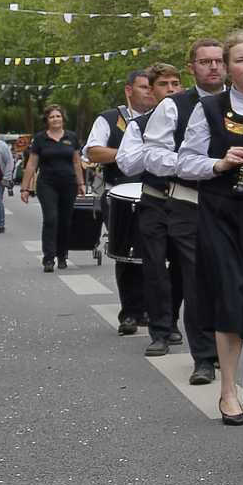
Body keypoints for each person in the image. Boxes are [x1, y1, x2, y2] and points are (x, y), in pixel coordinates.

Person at [160, 33, 243, 425]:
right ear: (227, 68)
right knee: (230, 296)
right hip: (223, 213)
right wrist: (219, 163)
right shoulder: (209, 107)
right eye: (240, 60)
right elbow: (184, 162)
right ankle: (228, 389)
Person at [129, 45, 227, 384]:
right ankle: (203, 355)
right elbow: (152, 156)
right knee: (193, 280)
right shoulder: (174, 106)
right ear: (192, 67)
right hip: (188, 201)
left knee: (235, 281)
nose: (213, 67)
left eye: (219, 61)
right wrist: (207, 166)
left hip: (240, 204)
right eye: (205, 61)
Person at [87, 70, 157, 333]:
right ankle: (130, 312)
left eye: (152, 87)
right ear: (129, 90)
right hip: (119, 193)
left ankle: (151, 308)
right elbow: (93, 151)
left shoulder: (164, 117)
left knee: (155, 252)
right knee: (126, 252)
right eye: (143, 87)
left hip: (156, 192)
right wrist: (130, 153)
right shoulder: (109, 118)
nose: (149, 91)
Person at [19, 104, 84, 273]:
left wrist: (81, 183)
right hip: (47, 184)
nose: (55, 119)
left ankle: (62, 255)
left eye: (58, 116)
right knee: (51, 219)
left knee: (65, 221)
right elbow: (32, 164)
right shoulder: (40, 139)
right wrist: (25, 188)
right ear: (47, 120)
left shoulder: (71, 137)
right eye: (52, 117)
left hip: (68, 184)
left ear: (63, 118)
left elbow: (76, 162)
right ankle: (48, 258)